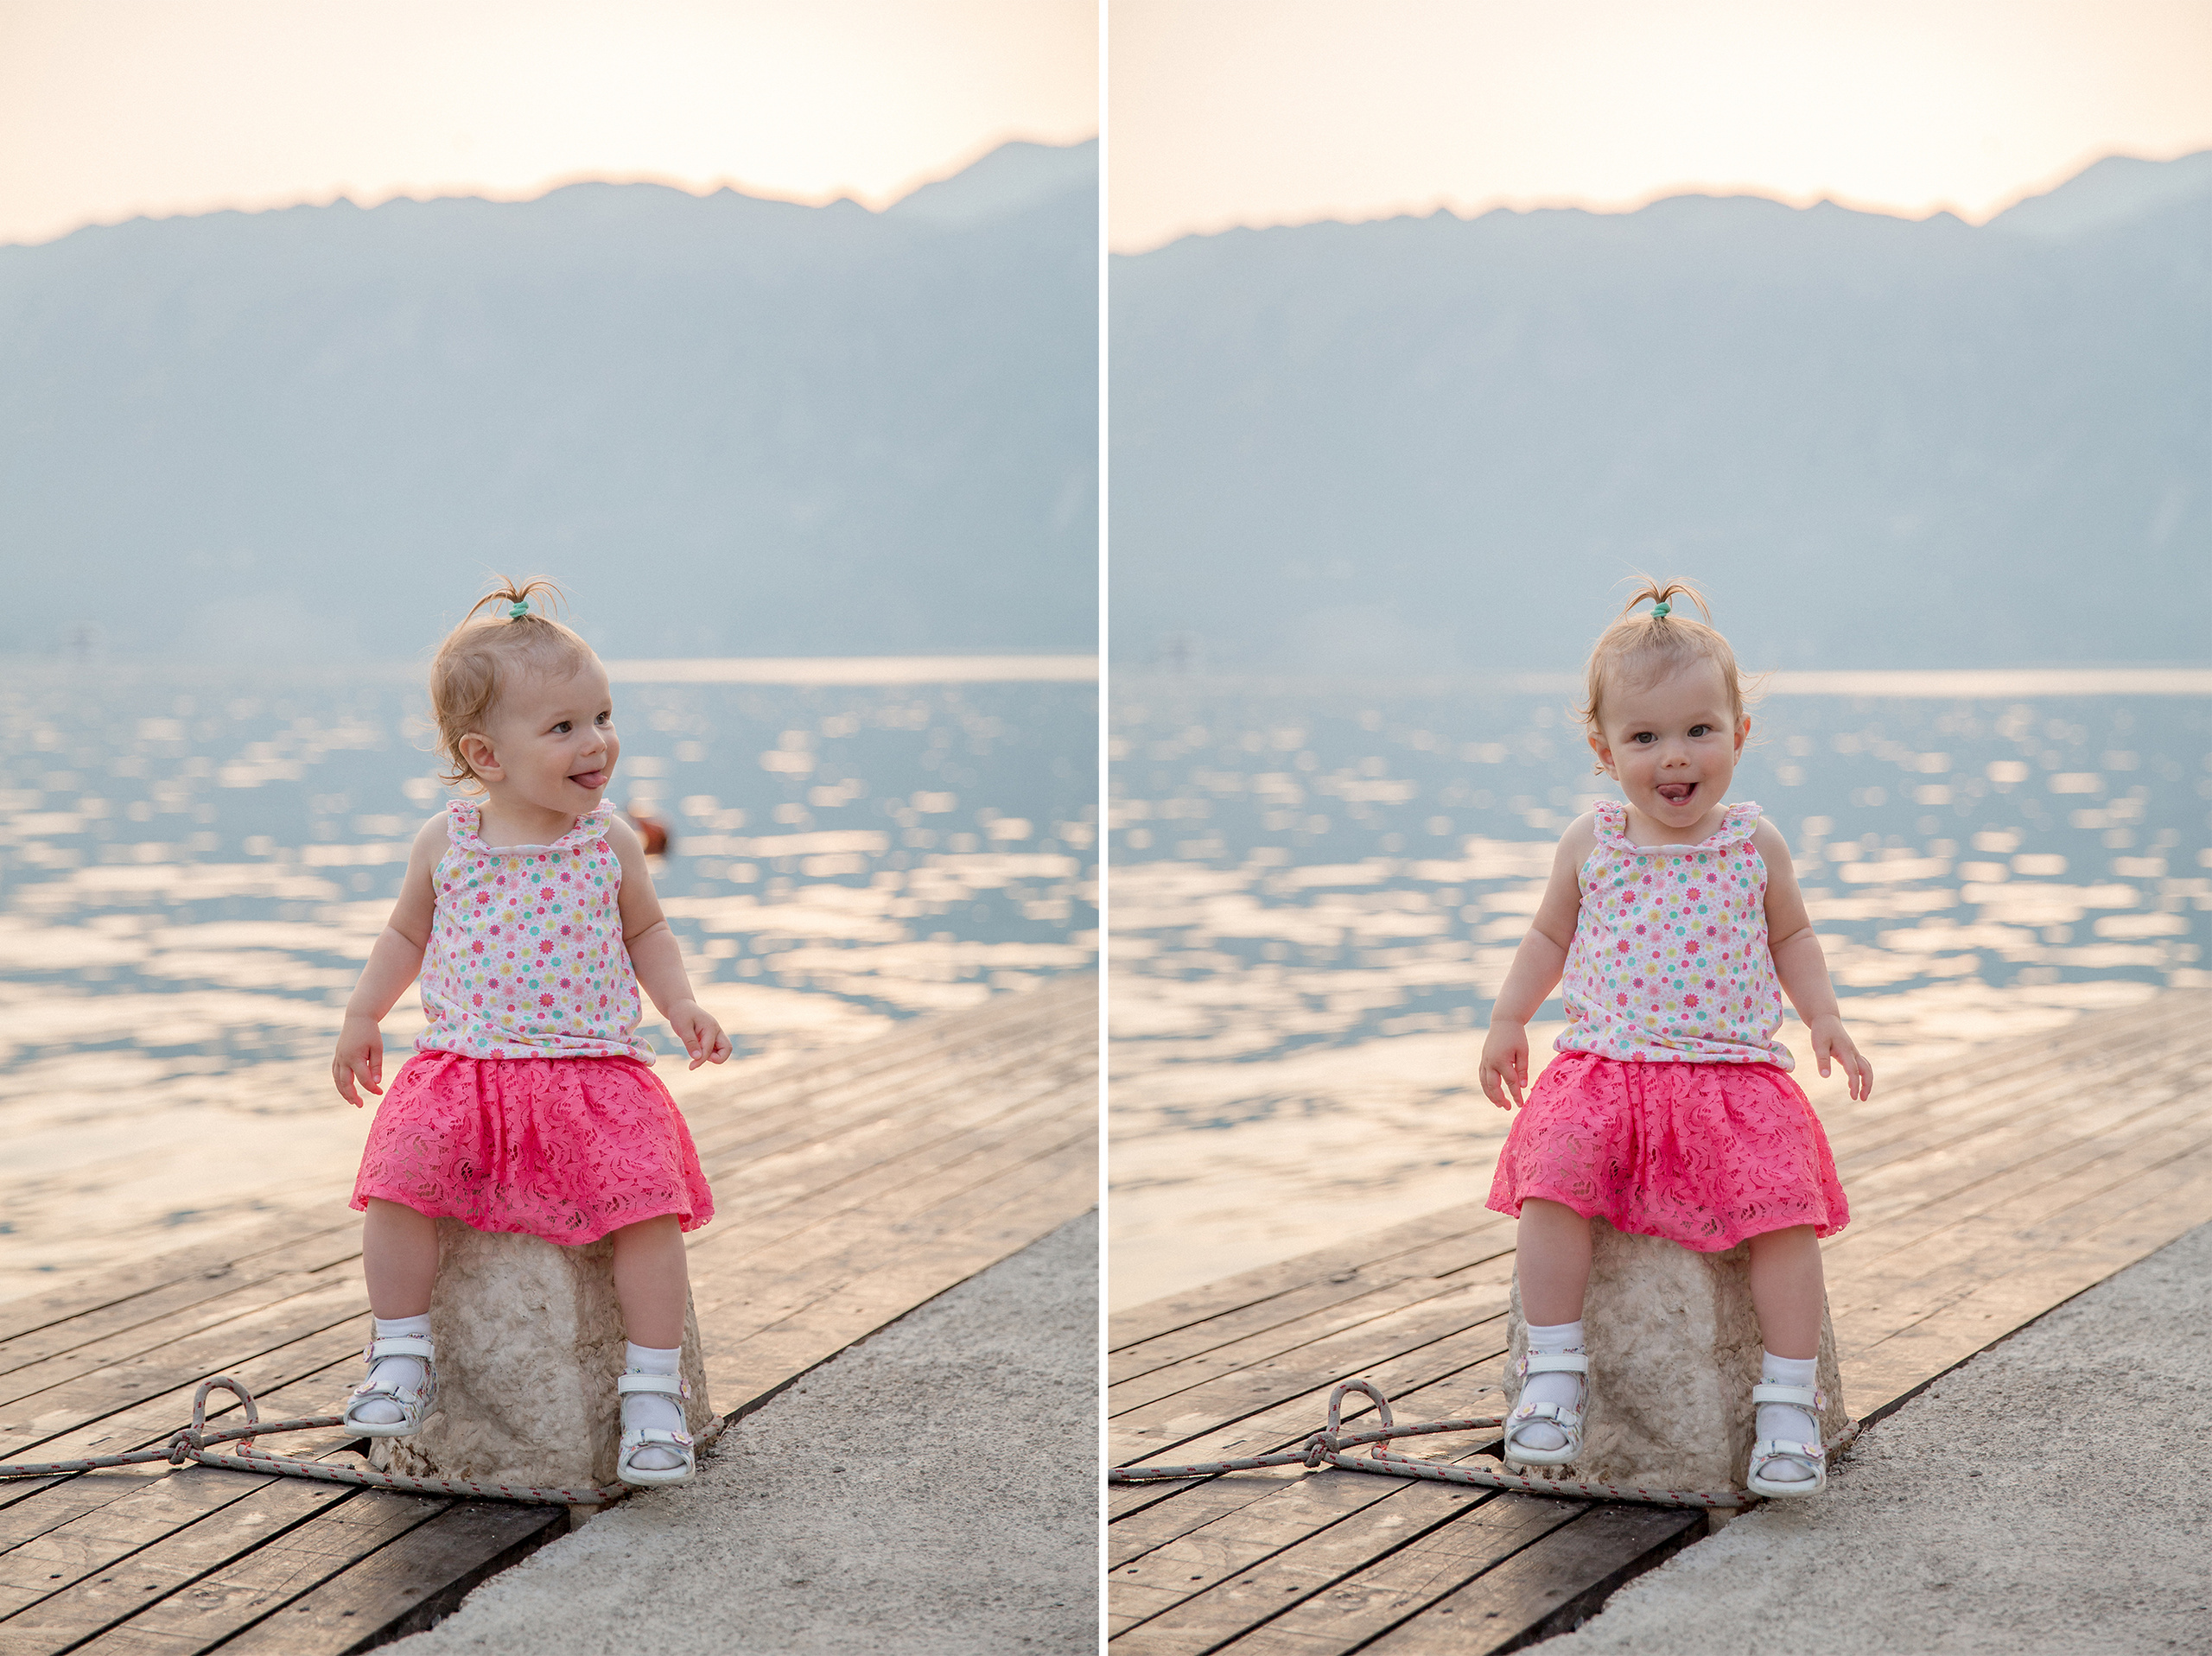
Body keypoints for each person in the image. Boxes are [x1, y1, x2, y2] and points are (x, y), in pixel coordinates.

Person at [331, 580, 730, 1488]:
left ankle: (651, 1392)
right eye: (562, 728)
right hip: (464, 1067)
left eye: (601, 716)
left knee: (647, 1208)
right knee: (396, 1173)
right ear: (487, 754)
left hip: (594, 1072)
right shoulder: (449, 840)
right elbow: (405, 934)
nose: (596, 742)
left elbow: (646, 934)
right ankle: (399, 1352)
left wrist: (682, 1006)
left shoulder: (609, 842)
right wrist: (364, 1014)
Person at [1478, 580, 1870, 1498]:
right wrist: (1508, 1018)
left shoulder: (1753, 843)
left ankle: (1783, 1401)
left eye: (1698, 730)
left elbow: (1793, 939)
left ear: (1738, 733)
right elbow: (1547, 938)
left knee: (1785, 1211)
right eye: (1644, 738)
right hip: (1606, 1069)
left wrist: (1825, 1017)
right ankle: (1555, 1372)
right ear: (1602, 749)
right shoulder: (1592, 841)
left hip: (1732, 1075)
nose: (1674, 757)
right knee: (1551, 1176)